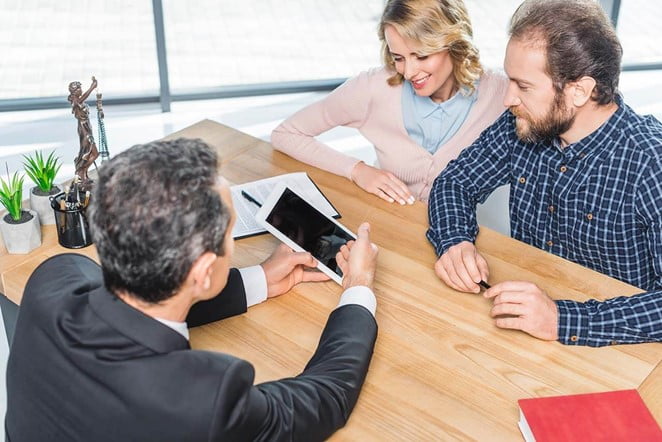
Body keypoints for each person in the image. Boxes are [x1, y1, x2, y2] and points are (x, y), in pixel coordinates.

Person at [6, 138, 380, 441]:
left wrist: (258, 280)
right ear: (201, 271)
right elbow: (323, 400)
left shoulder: (54, 278)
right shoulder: (203, 398)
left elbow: (128, 294)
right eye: (230, 235)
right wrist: (358, 288)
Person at [426, 0, 662, 347]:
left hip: (617, 351)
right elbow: (455, 181)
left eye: (523, 86)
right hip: (520, 330)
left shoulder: (651, 162)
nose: (508, 98)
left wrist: (561, 319)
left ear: (578, 91)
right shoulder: (525, 121)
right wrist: (454, 241)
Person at [271, 0, 507, 205]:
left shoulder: (500, 94)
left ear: (455, 44)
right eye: (399, 58)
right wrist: (357, 170)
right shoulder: (374, 87)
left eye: (421, 55)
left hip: (458, 239)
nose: (409, 72)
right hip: (386, 224)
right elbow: (286, 134)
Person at [68, 76, 100, 190]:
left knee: (93, 154)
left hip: (87, 127)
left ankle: (83, 172)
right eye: (79, 89)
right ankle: (80, 172)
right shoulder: (76, 101)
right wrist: (92, 87)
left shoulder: (79, 100)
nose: (81, 90)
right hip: (84, 130)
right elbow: (83, 98)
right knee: (91, 153)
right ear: (75, 91)